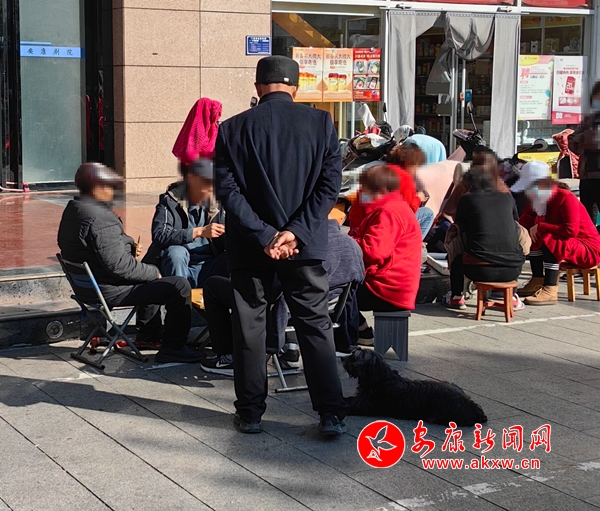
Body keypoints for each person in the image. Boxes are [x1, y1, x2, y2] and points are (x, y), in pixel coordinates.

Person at [214, 55, 349, 436]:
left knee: (249, 327)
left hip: (250, 245)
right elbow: (329, 187)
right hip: (304, 245)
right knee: (314, 325)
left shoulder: (231, 128)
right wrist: (295, 233)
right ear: (296, 87)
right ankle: (331, 413)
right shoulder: (321, 123)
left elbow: (228, 192)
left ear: (258, 87)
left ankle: (251, 413)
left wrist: (264, 235)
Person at [57, 162, 204, 364]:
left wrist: (128, 245)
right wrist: (153, 273)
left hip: (87, 285)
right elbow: (120, 266)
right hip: (108, 288)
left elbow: (97, 247)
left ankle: (149, 333)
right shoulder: (100, 218)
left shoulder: (73, 209)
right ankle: (173, 347)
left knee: (154, 259)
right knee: (179, 286)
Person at [199, 212, 365, 376]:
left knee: (214, 285)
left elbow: (276, 289)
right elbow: (355, 285)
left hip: (286, 306)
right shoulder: (351, 245)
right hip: (324, 309)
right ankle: (290, 347)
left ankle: (229, 356)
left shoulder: (302, 246)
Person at [513, 160, 600, 305]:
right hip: (568, 244)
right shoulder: (536, 199)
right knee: (531, 236)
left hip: (588, 248)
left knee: (549, 237)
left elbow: (570, 231)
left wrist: (541, 226)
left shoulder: (565, 197)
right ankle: (537, 279)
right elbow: (524, 224)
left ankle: (550, 288)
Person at [444, 166, 525, 310]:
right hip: (512, 269)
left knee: (456, 245)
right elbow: (515, 222)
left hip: (477, 269)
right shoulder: (507, 197)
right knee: (514, 240)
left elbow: (460, 226)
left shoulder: (467, 199)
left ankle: (456, 297)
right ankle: (512, 297)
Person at [351, 165, 422, 323]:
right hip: (396, 284)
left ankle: (360, 331)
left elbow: (374, 250)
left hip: (387, 287)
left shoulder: (388, 212)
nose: (362, 195)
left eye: (365, 190)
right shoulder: (396, 206)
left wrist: (349, 242)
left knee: (333, 294)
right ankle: (359, 330)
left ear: (381, 190)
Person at [144, 160, 227, 288]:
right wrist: (197, 232)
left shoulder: (217, 204)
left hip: (208, 265)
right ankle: (180, 298)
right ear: (191, 179)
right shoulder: (170, 201)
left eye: (212, 183)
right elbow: (160, 234)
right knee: (176, 252)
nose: (210, 188)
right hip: (179, 266)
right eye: (206, 182)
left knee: (234, 257)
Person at [568, 80, 600, 226]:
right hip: (587, 176)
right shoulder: (588, 121)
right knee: (587, 218)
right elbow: (571, 142)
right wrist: (584, 139)